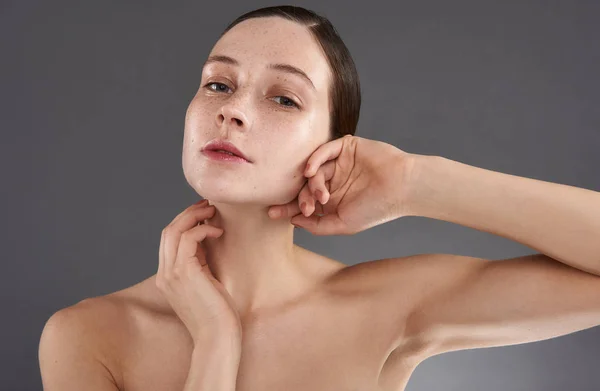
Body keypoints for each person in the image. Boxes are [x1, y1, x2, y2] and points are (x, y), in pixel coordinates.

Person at [38, 5, 600, 391]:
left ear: (332, 148)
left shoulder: (386, 306)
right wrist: (215, 342)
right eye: (218, 83)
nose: (231, 110)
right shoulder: (88, 335)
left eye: (283, 98)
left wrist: (416, 182)